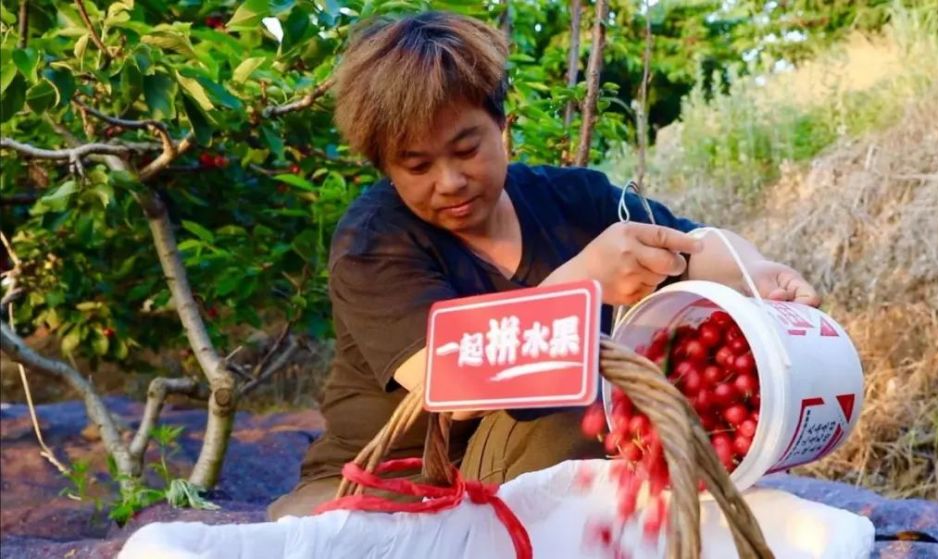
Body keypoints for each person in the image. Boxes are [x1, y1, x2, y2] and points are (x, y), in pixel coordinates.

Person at [266, 11, 820, 520]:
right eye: (417, 166)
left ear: (500, 125)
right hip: (393, 483)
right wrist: (582, 284)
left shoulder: (574, 201)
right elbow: (449, 383)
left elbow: (693, 248)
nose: (450, 181)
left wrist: (759, 271)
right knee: (568, 390)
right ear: (386, 167)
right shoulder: (374, 241)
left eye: (466, 150)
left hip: (526, 483)